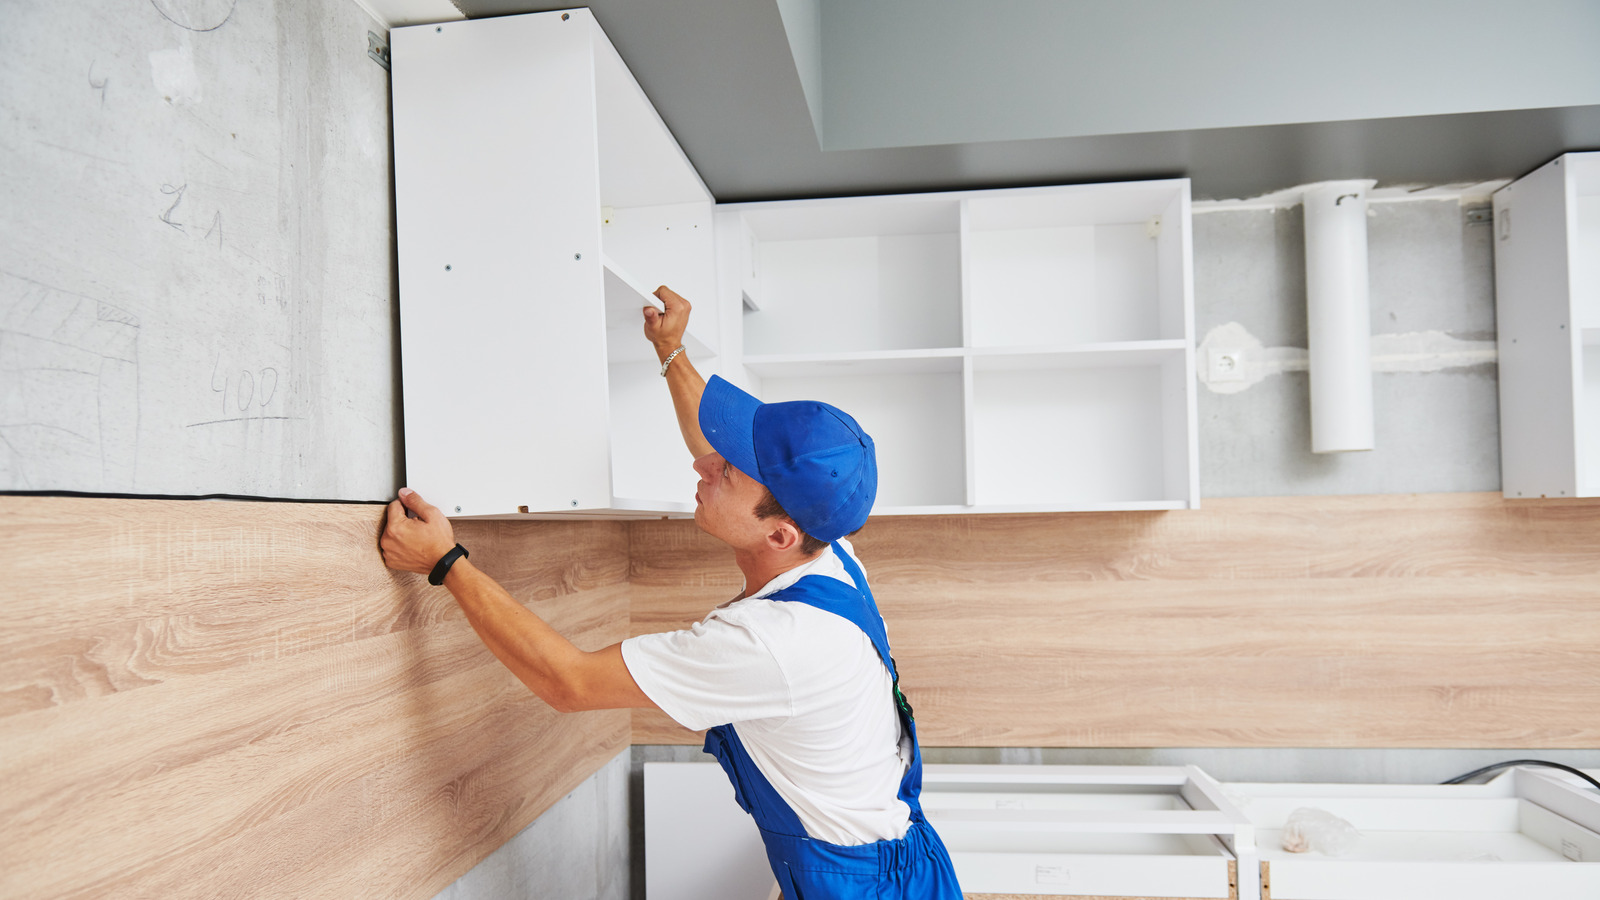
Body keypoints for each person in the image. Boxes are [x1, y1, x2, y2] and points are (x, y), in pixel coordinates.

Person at [380, 286, 961, 899]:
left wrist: (444, 562)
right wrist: (671, 352)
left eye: (728, 470)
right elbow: (711, 448)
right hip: (900, 857)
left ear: (780, 534)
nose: (702, 466)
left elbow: (569, 683)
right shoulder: (828, 549)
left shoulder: (772, 645)